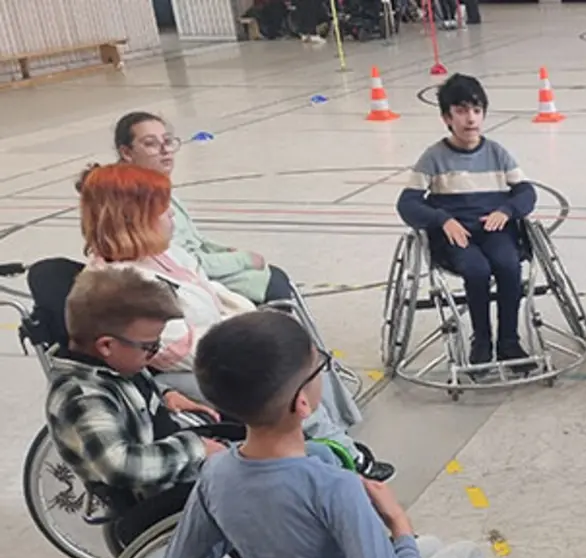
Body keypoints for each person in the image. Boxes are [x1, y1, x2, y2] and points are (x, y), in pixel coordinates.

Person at [159, 311, 534, 558]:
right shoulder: (333, 487)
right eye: (319, 366)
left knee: (432, 548)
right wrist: (398, 522)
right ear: (303, 402)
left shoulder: (216, 473)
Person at [78, 161, 393, 482]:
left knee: (304, 357)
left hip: (218, 345)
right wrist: (251, 346)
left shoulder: (165, 254)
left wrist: (251, 327)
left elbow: (214, 295)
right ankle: (337, 454)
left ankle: (336, 442)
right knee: (282, 380)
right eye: (161, 209)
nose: (171, 214)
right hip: (188, 369)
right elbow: (176, 350)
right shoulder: (123, 286)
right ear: (133, 218)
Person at [45, 266, 227, 546]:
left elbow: (134, 391)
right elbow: (120, 465)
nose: (155, 352)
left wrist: (166, 395)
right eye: (150, 346)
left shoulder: (119, 366)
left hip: (174, 468)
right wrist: (196, 448)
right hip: (153, 506)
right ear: (106, 346)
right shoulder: (83, 398)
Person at [396, 74, 537, 368]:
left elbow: (526, 192)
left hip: (494, 229)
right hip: (456, 235)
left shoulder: (497, 153)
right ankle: (481, 341)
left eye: (476, 110)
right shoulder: (433, 157)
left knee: (509, 265)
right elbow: (407, 204)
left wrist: (507, 210)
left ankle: (509, 342)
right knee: (477, 270)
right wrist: (441, 219)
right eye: (461, 111)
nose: (470, 119)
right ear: (447, 118)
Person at [114, 111, 294, 305]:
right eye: (151, 144)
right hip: (189, 285)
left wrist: (223, 251)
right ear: (127, 153)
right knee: (273, 283)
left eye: (167, 141)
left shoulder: (161, 190)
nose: (165, 150)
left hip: (196, 273)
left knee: (272, 276)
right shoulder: (138, 202)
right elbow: (186, 263)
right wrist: (243, 259)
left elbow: (196, 241)